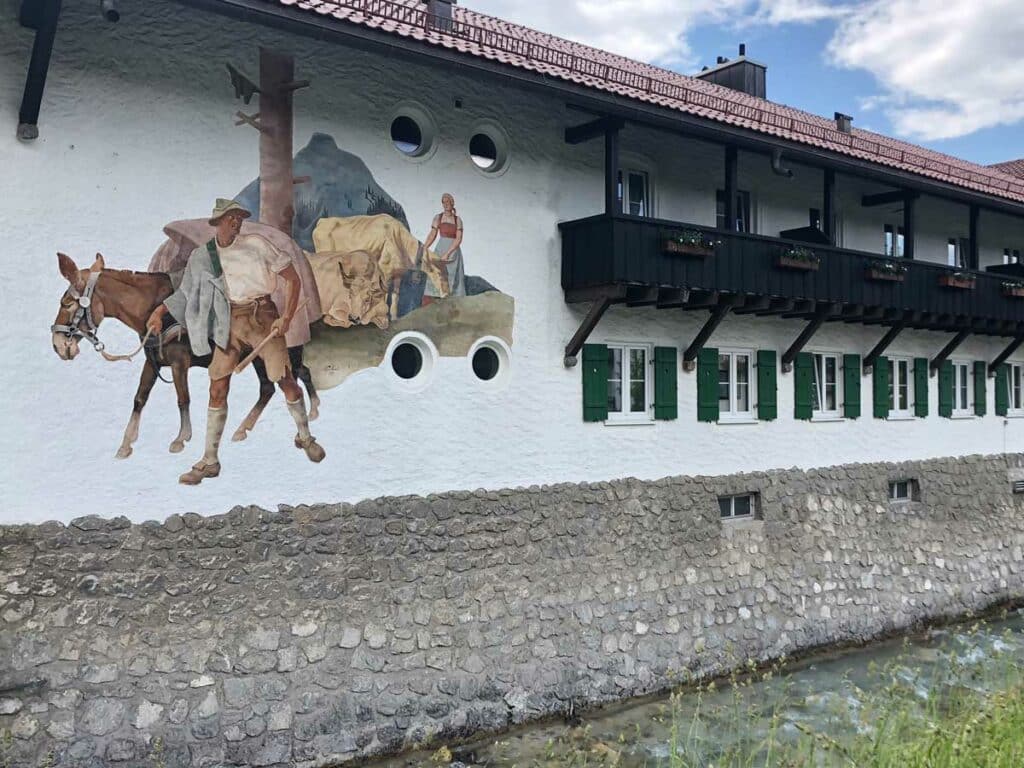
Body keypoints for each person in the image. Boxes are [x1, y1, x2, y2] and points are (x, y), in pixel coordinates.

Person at [146, 199, 325, 485]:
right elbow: (184, 294)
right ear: (218, 223)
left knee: (284, 378)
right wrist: (158, 312)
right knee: (217, 386)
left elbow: (292, 279)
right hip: (230, 321)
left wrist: (287, 317)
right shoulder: (204, 257)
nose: (236, 223)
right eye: (231, 218)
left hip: (265, 315)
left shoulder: (256, 244)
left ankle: (305, 436)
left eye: (239, 218)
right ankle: (209, 460)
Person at [422, 192, 465, 300]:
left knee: (452, 278)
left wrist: (448, 253)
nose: (446, 204)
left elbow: (458, 239)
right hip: (440, 249)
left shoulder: (457, 220)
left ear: (452, 203)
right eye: (444, 202)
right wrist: (424, 247)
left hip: (453, 251)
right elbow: (433, 234)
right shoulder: (438, 217)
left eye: (448, 201)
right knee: (436, 274)